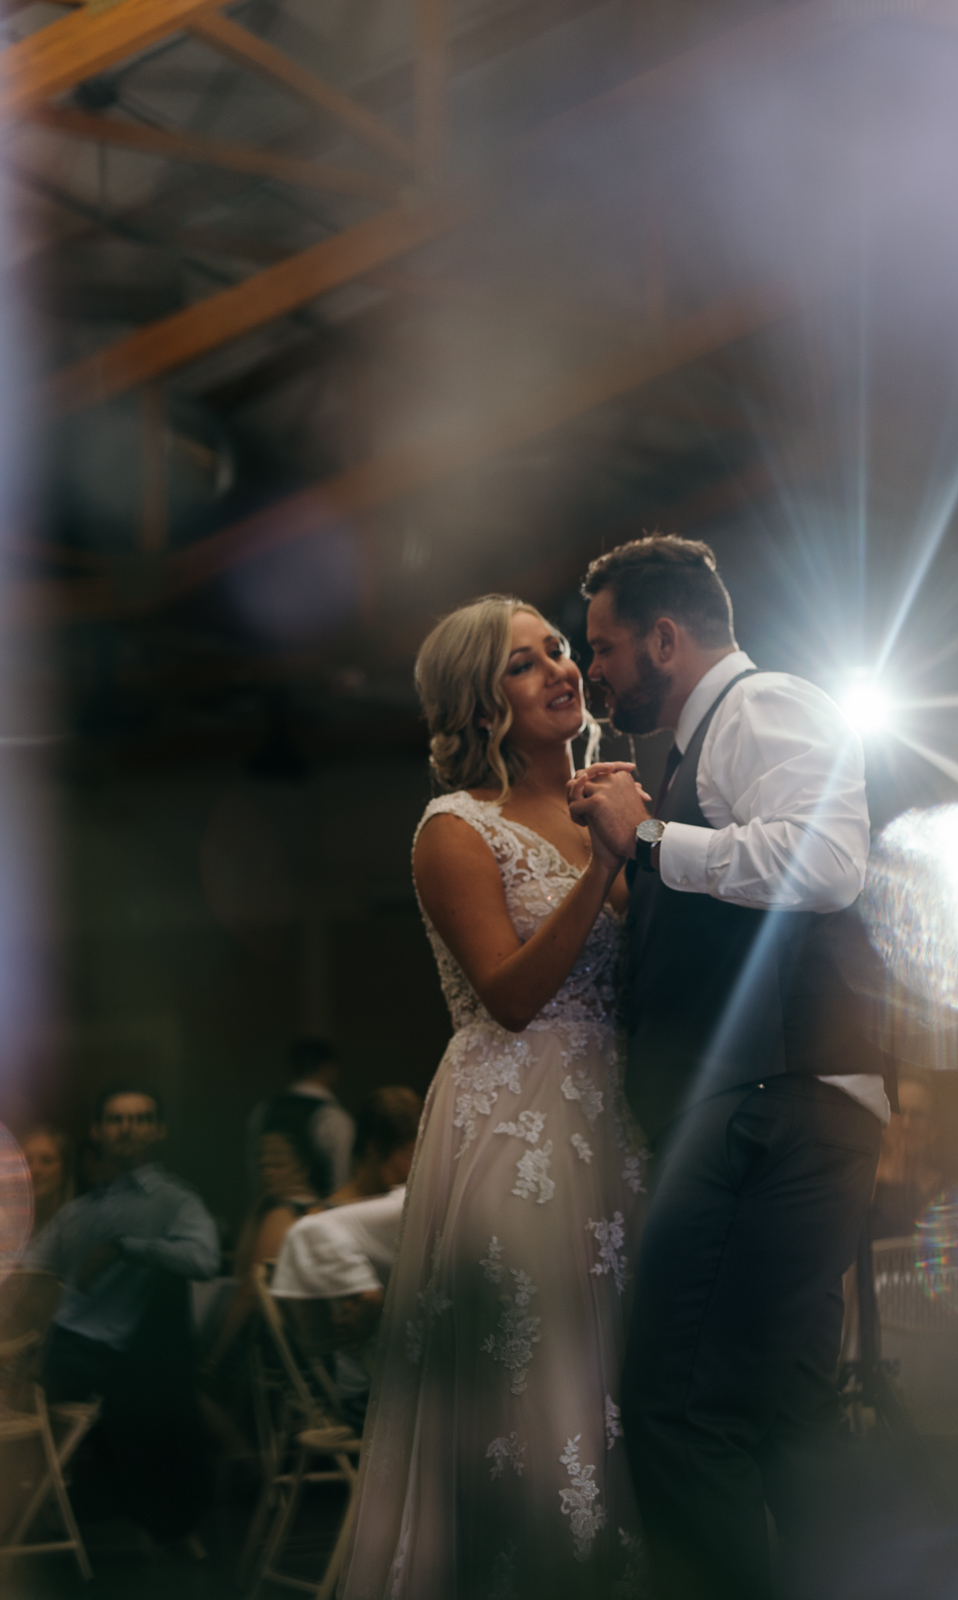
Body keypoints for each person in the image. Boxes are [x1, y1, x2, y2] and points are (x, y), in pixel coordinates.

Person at [568, 535, 895, 1600]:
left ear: (667, 635)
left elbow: (825, 861)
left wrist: (652, 840)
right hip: (774, 1103)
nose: (597, 670)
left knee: (675, 1405)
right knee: (786, 1408)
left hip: (772, 1102)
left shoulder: (765, 704)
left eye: (606, 645)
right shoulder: (701, 740)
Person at [344, 597, 647, 1600]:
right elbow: (510, 995)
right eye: (525, 664)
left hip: (621, 1117)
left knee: (627, 1385)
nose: (561, 668)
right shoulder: (453, 830)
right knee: (539, 1391)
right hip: (514, 1126)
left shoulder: (621, 794)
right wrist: (607, 856)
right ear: (482, 703)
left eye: (561, 648)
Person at [29, 1085, 220, 1547]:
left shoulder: (176, 1202)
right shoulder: (80, 1211)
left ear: (158, 1131)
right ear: (97, 1132)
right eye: (116, 1119)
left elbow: (205, 1261)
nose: (127, 1127)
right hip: (60, 1344)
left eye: (139, 1118)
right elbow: (28, 1270)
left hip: (106, 1359)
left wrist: (125, 1249)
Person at [272, 1087, 423, 1430]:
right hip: (371, 1387)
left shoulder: (411, 1206)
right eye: (409, 1154)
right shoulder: (324, 1221)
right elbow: (333, 1335)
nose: (417, 1166)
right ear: (373, 1149)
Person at [204, 1114, 328, 1376]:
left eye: (277, 1162)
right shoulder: (321, 1208)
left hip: (277, 1353)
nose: (266, 1167)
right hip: (314, 1350)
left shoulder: (283, 1214)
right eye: (262, 1160)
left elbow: (247, 1291)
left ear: (302, 1165)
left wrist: (213, 1358)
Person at [247, 1037, 355, 1195]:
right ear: (329, 1069)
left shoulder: (264, 1109)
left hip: (270, 1207)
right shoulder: (333, 1117)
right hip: (318, 1211)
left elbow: (252, 1166)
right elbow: (343, 1177)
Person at [870, 1072, 941, 1240]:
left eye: (917, 1115)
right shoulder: (860, 1186)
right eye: (899, 1112)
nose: (906, 1123)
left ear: (933, 1127)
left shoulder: (943, 1190)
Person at [21, 1124, 74, 1234]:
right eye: (27, 1161)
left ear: (65, 1170)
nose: (34, 1170)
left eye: (46, 1161)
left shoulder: (79, 1225)